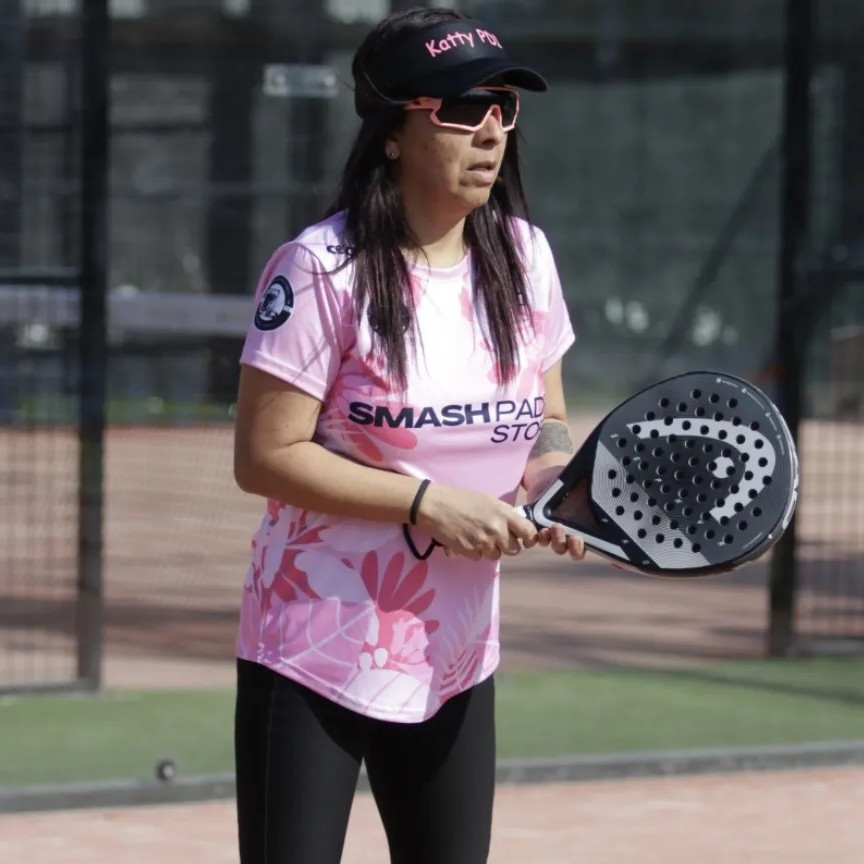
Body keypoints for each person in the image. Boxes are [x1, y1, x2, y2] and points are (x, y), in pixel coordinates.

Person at [232, 7, 585, 864]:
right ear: (392, 132)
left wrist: (555, 478)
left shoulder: (525, 259)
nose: (490, 131)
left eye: (504, 107)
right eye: (462, 109)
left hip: (455, 651)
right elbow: (264, 456)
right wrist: (428, 503)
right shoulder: (321, 269)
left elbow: (546, 417)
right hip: (315, 645)